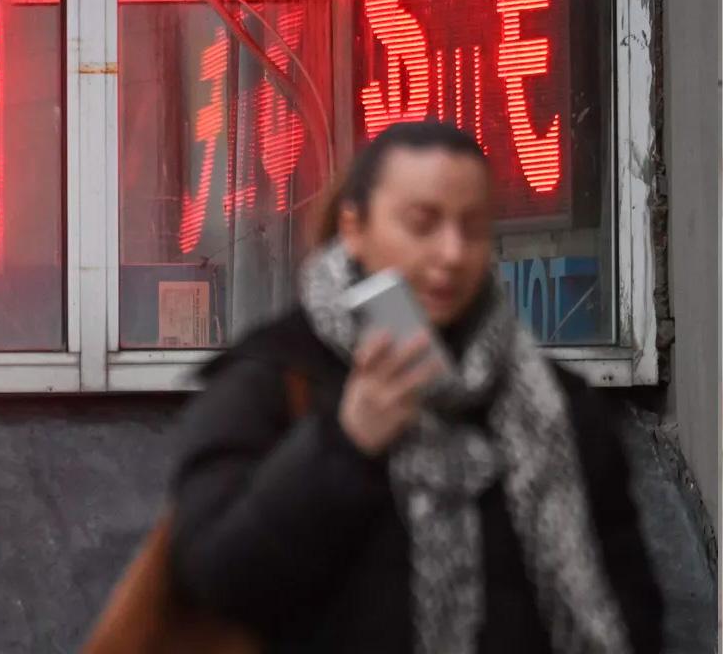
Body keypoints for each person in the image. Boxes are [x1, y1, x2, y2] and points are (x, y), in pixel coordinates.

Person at [167, 121, 663, 654]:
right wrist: (342, 444)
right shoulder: (275, 376)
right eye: (422, 224)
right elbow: (215, 580)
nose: (451, 253)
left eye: (473, 228)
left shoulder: (554, 402)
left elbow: (630, 605)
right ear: (354, 227)